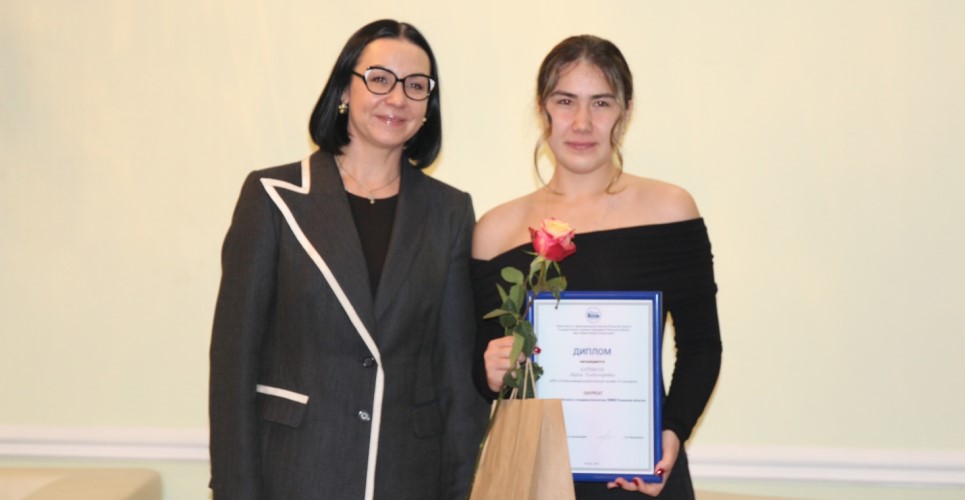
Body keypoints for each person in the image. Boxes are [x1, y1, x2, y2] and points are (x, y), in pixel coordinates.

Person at [210, 19, 487, 500]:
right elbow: (233, 361)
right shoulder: (273, 196)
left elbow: (455, 377)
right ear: (344, 89)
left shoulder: (450, 212)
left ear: (428, 106)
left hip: (406, 478)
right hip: (295, 474)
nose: (396, 98)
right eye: (379, 79)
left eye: (415, 86)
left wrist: (464, 490)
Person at [471, 35, 722, 499]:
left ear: (625, 112)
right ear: (543, 109)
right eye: (565, 101)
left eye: (601, 103)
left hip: (638, 476)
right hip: (532, 479)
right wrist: (489, 370)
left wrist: (672, 433)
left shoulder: (669, 209)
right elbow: (481, 368)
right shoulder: (495, 231)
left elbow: (701, 346)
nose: (582, 122)